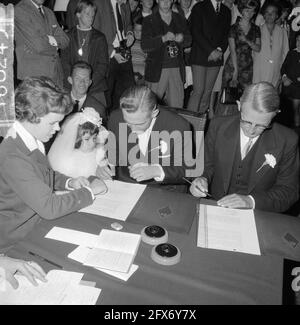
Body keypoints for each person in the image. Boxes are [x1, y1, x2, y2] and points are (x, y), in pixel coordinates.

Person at [0, 77, 107, 249]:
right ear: (32, 117)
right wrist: (90, 191)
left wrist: (68, 181)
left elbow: (40, 175)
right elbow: (49, 207)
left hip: (34, 225)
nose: (58, 128)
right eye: (53, 122)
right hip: (15, 241)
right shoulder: (12, 155)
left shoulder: (31, 139)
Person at [190, 82, 299, 213]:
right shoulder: (218, 126)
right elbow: (205, 165)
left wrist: (251, 201)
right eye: (247, 121)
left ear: (276, 114)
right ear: (239, 105)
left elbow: (289, 191)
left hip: (259, 213)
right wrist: (200, 179)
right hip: (215, 205)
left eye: (261, 125)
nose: (252, 131)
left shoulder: (287, 140)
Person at [104, 85, 194, 189]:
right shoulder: (115, 118)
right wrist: (104, 166)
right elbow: (111, 152)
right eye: (128, 123)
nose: (133, 130)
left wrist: (157, 170)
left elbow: (188, 170)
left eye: (140, 123)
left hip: (164, 189)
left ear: (154, 113)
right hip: (126, 185)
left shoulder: (178, 125)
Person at [141, 0, 192, 108]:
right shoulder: (149, 20)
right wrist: (163, 38)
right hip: (157, 69)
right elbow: (145, 45)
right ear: (157, 1)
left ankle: (174, 125)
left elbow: (189, 40)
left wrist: (182, 38)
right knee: (151, 106)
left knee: (177, 107)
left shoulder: (180, 19)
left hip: (176, 68)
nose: (165, 2)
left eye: (168, 0)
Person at [61, 0, 109, 106]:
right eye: (87, 14)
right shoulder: (68, 36)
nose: (91, 17)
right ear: (78, 14)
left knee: (97, 117)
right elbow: (64, 61)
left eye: (93, 14)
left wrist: (88, 82)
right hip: (71, 86)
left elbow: (103, 64)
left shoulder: (100, 37)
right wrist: (74, 81)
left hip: (94, 86)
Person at [187, 0, 231, 114]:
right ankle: (189, 123)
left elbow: (227, 35)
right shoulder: (199, 6)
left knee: (207, 92)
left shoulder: (226, 11)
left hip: (216, 57)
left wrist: (219, 50)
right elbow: (195, 31)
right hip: (200, 55)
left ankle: (199, 125)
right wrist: (211, 51)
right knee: (198, 91)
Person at [14, 0, 69, 88]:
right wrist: (56, 44)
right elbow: (39, 45)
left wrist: (47, 38)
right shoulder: (20, 10)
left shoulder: (49, 12)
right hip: (34, 78)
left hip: (56, 76)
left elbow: (65, 40)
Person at [48, 107, 109, 178]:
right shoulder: (65, 160)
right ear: (76, 138)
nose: (92, 143)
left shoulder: (97, 155)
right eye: (87, 139)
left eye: (94, 138)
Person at [222, 0, 261, 92]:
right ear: (242, 10)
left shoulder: (256, 28)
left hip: (247, 65)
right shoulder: (234, 28)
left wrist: (247, 40)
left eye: (253, 11)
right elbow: (232, 50)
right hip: (232, 64)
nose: (250, 13)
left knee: (245, 95)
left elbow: (258, 48)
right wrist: (235, 72)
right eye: (247, 10)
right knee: (228, 96)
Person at [253, 2, 289, 87]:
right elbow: (253, 52)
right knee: (259, 93)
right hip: (260, 68)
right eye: (267, 12)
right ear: (264, 15)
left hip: (275, 69)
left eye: (273, 12)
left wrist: (281, 68)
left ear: (277, 16)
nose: (270, 15)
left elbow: (285, 52)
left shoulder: (282, 32)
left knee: (271, 95)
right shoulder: (257, 30)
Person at [281, 32, 300, 127]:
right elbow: (283, 68)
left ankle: (296, 125)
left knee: (295, 106)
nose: (299, 42)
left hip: (298, 87)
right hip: (288, 85)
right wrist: (284, 77)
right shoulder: (291, 53)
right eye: (297, 40)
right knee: (286, 106)